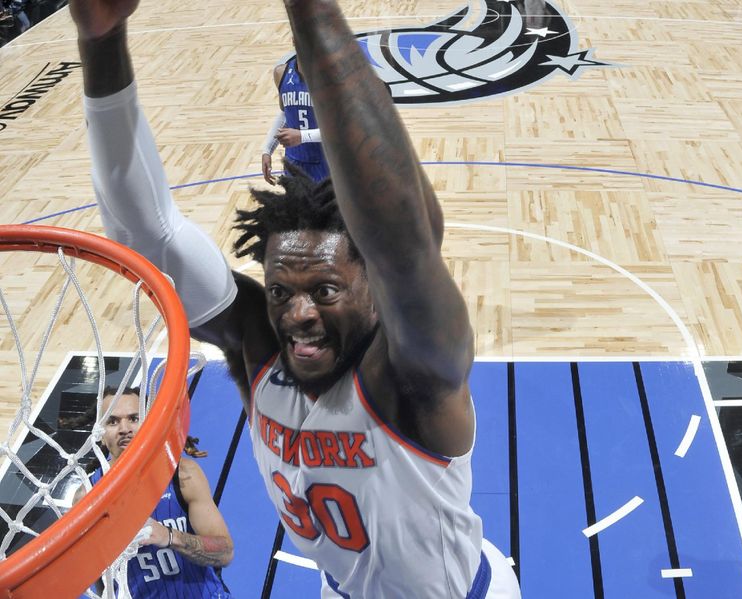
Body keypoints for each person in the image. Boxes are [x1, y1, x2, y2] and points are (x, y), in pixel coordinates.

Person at [69, 0, 521, 596]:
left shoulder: (411, 374)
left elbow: (407, 239)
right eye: (281, 290)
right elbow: (148, 233)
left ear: (374, 290)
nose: (299, 314)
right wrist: (101, 41)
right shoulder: (261, 350)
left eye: (326, 290)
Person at [73, 387, 234, 598]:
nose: (124, 428)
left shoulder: (184, 476)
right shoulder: (86, 497)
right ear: (100, 435)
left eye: (133, 418)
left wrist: (169, 536)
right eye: (112, 421)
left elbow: (225, 552)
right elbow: (99, 579)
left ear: (149, 424)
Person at [261, 53, 329, 184]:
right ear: (293, 39)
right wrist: (267, 150)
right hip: (293, 163)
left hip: (327, 163)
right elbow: (285, 113)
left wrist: (302, 136)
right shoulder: (281, 73)